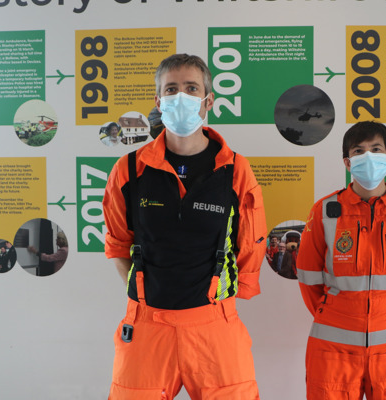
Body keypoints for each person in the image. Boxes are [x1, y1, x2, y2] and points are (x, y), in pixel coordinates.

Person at [102, 53, 267, 400]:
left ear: (208, 100)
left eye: (191, 88)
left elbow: (249, 247)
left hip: (215, 329)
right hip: (147, 326)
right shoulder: (129, 170)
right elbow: (118, 245)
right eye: (172, 89)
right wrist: (147, 295)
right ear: (158, 100)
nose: (181, 97)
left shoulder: (235, 170)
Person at [296, 121, 386, 399]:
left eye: (375, 149)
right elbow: (308, 277)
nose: (367, 157)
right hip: (333, 350)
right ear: (348, 163)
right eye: (358, 151)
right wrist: (340, 314)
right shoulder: (325, 211)